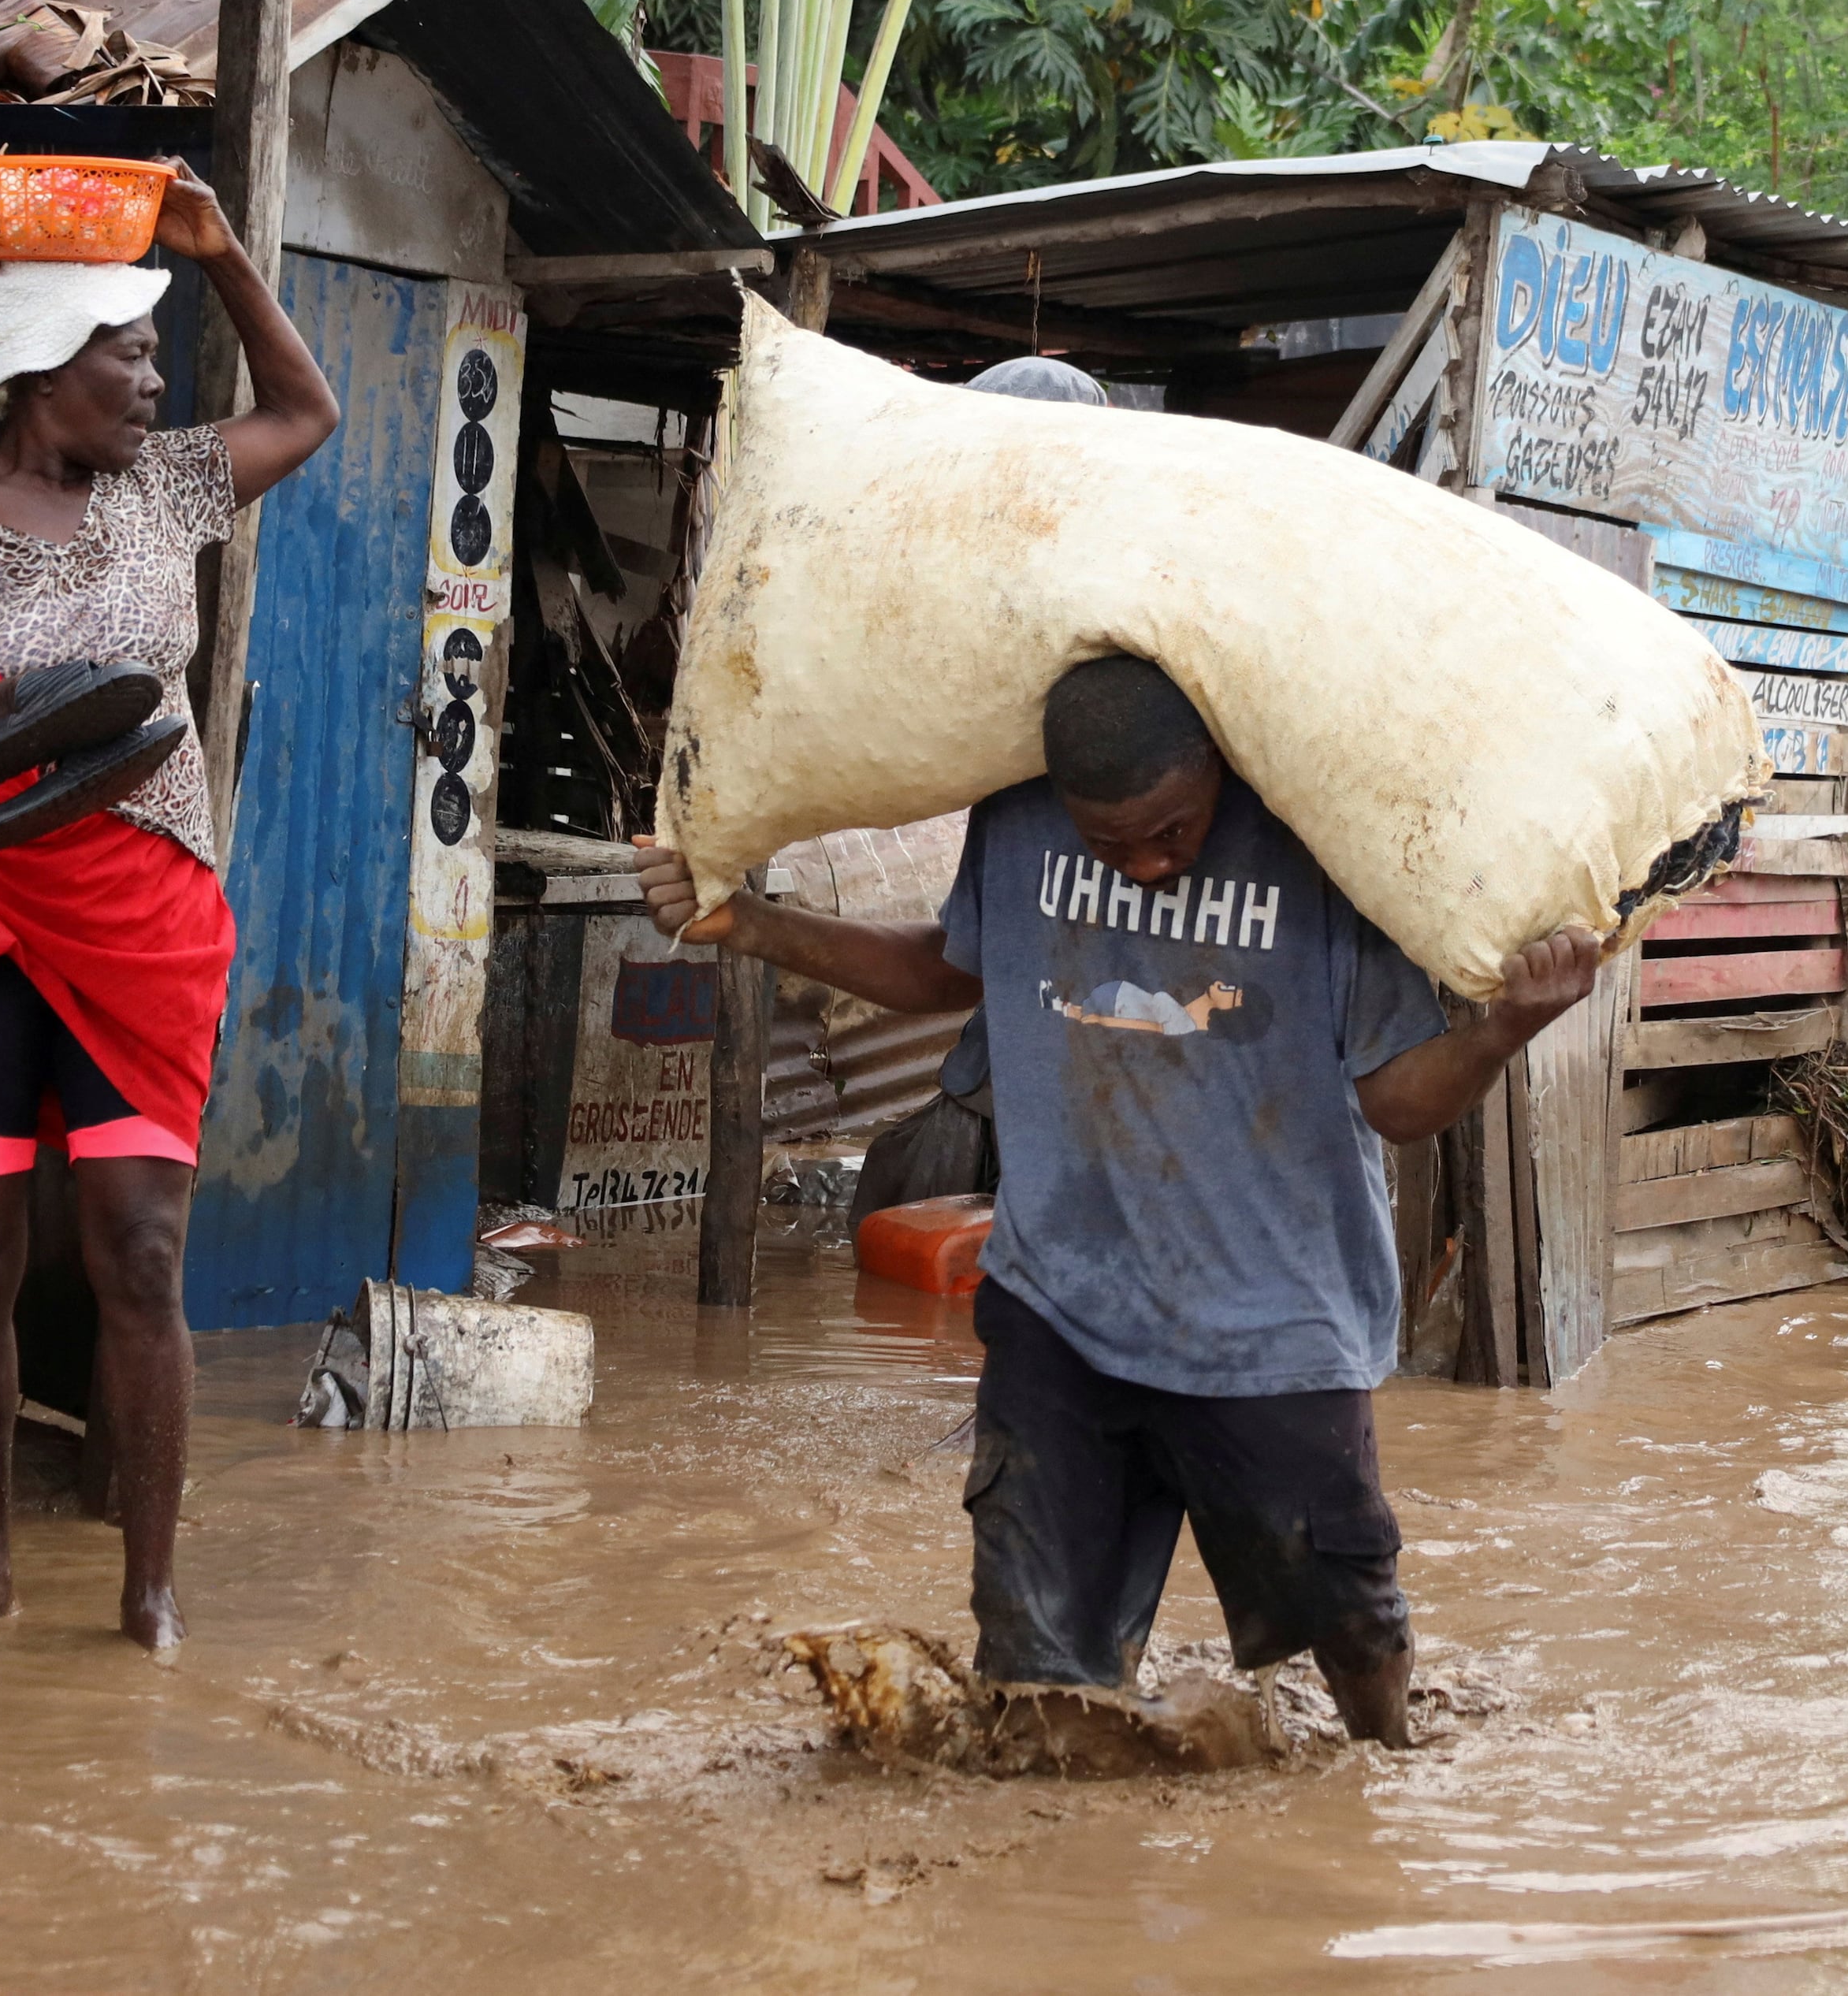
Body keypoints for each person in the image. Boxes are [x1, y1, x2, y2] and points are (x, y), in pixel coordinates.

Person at [638, 655, 1601, 1745]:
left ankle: (1381, 1800)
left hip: (1272, 1330)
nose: (1146, 865)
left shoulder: (1321, 844)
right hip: (1061, 1309)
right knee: (1041, 1687)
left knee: (1354, 1635)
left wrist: (1505, 1026)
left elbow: (1398, 1099)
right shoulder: (1014, 814)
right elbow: (950, 969)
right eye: (1110, 844)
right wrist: (755, 926)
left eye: (1175, 831)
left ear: (1218, 775)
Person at [0, 162, 338, 1648]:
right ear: (48, 366)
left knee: (139, 1246)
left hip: (141, 912)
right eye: (133, 349)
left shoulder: (168, 486)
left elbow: (305, 412)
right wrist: (20, 709)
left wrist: (226, 253)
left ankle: (150, 1588)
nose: (153, 378)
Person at [850, 354, 1114, 1231]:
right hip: (1005, 1101)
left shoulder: (1127, 655)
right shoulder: (1004, 711)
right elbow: (955, 966)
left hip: (1118, 1126)